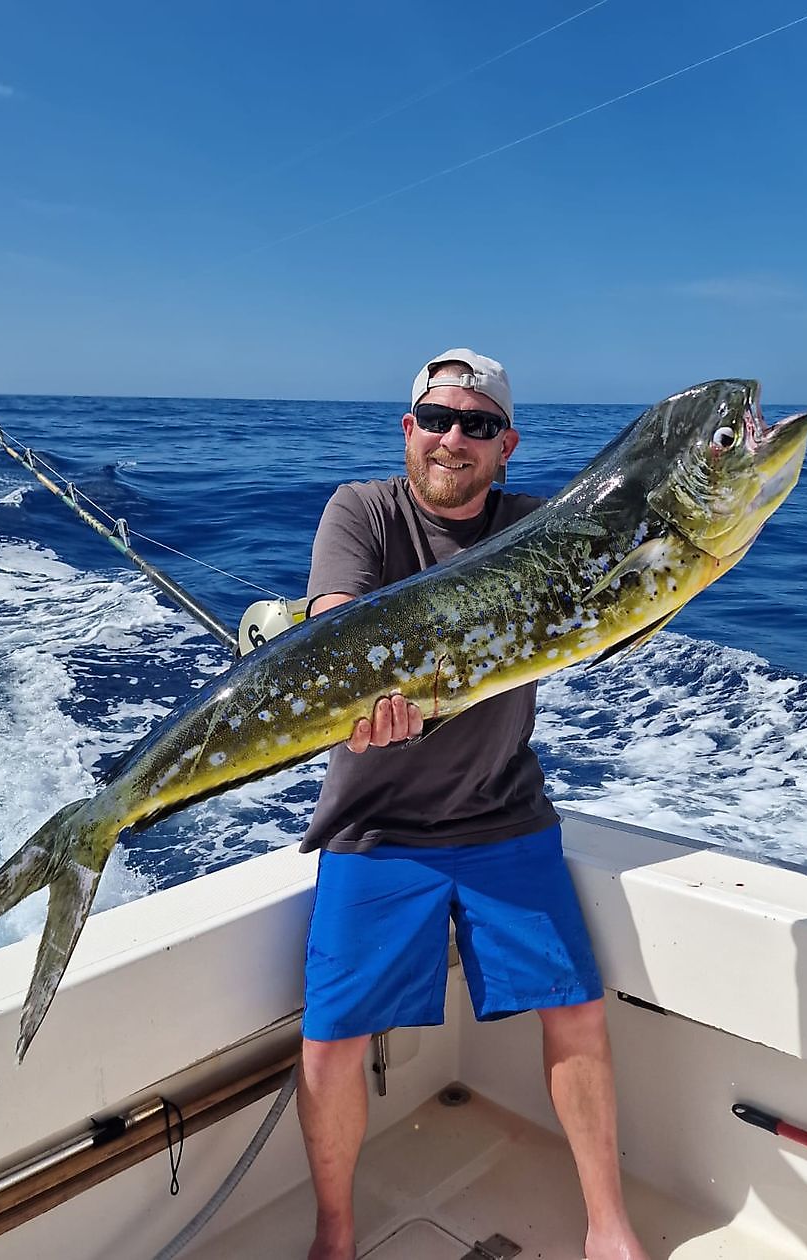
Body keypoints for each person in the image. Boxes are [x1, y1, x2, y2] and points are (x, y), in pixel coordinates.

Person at [297, 349, 647, 1260]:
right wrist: (359, 694)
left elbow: (628, 602)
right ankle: (335, 1231)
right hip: (374, 828)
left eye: (478, 425)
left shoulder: (537, 528)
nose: (454, 438)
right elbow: (335, 616)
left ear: (506, 445)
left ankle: (608, 1226)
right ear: (407, 428)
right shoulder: (361, 509)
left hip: (503, 814)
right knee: (331, 1039)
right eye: (437, 418)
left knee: (576, 1010)